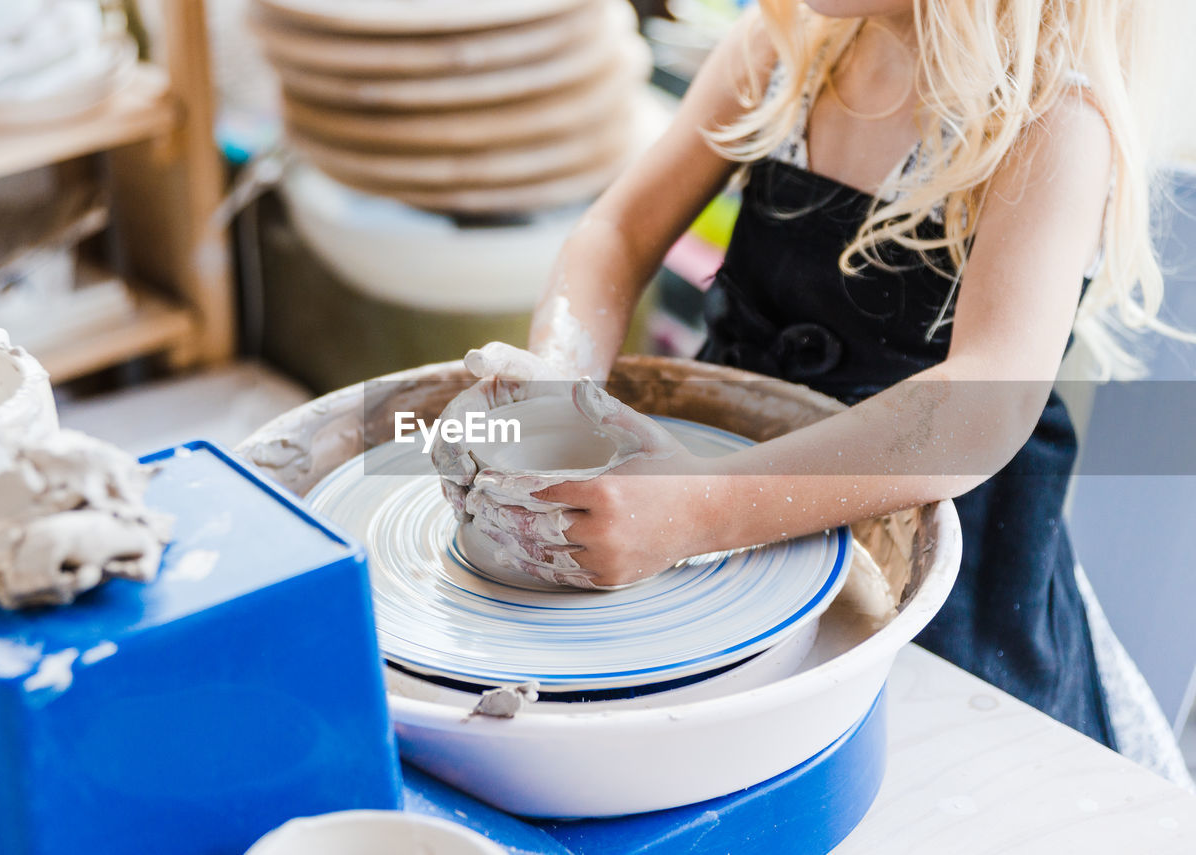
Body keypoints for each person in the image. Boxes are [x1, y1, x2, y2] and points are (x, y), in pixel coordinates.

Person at [433, 0, 1191, 774]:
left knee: (897, 778)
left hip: (932, 539)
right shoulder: (784, 48)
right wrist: (561, 389)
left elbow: (983, 403)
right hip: (713, 483)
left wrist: (696, 509)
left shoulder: (1052, 120)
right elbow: (616, 232)